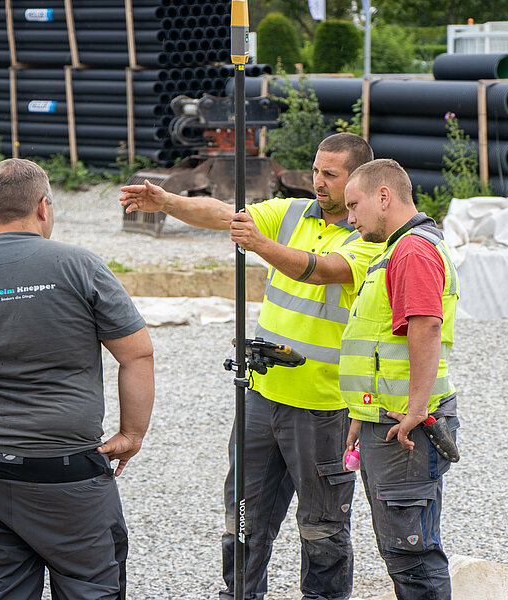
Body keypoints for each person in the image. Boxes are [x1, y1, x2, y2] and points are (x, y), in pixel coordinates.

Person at [120, 133, 383, 600]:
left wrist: (258, 245)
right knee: (242, 517)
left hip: (323, 408)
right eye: (316, 171)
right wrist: (166, 202)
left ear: (357, 179)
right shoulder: (291, 212)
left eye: (330, 175)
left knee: (322, 528)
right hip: (262, 396)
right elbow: (225, 215)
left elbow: (321, 268)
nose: (318, 182)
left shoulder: (370, 238)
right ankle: (239, 594)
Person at [0, 158, 155, 600]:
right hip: (66, 469)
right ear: (44, 207)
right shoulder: (80, 266)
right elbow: (138, 353)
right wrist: (131, 433)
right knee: (91, 587)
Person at [340, 159, 460, 600]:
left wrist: (416, 407)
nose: (349, 219)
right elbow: (379, 346)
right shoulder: (398, 250)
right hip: (385, 419)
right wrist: (362, 412)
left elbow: (425, 325)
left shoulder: (411, 250)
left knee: (412, 554)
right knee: (402, 550)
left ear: (384, 197)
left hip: (405, 428)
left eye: (355, 206)